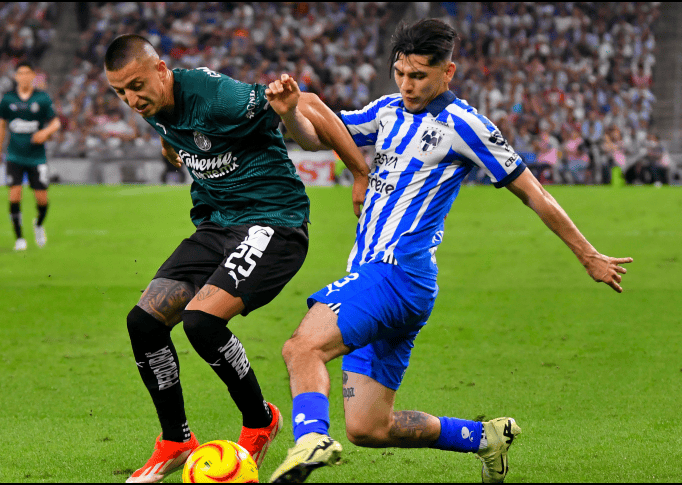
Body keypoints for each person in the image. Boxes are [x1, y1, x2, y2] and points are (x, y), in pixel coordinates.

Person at [264, 19, 633, 483]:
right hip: (390, 283)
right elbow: (320, 136)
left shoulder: (466, 126)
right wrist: (289, 113)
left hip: (396, 274)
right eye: (400, 73)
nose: (407, 85)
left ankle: (310, 440)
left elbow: (534, 192)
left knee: (302, 348)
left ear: (447, 72)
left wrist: (588, 254)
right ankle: (485, 437)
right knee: (368, 427)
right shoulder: (386, 111)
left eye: (418, 76)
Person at [103, 34, 368, 484]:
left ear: (162, 70)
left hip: (274, 222)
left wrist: (359, 172)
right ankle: (175, 441)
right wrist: (173, 150)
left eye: (136, 85)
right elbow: (181, 139)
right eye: (119, 92)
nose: (131, 99)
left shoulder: (219, 98)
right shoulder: (154, 107)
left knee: (202, 323)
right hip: (217, 225)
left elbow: (312, 102)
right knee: (143, 323)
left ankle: (259, 421)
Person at [0, 61, 61, 251]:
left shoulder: (42, 98)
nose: (23, 76)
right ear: (16, 77)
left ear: (33, 76)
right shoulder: (8, 99)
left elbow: (56, 123)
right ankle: (19, 238)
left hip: (37, 157)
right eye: (20, 73)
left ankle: (38, 224)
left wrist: (45, 132)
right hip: (14, 155)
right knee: (14, 195)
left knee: (42, 200)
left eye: (27, 73)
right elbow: (1, 124)